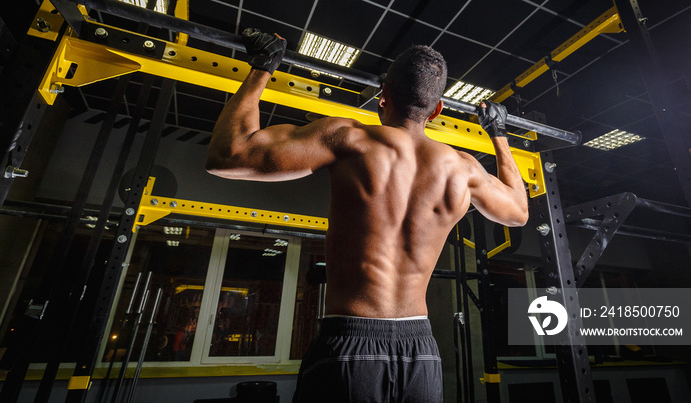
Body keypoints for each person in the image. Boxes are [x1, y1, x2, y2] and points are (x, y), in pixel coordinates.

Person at [206, 29, 529, 403]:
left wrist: (262, 67)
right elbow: (518, 212)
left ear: (383, 97)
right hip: (420, 351)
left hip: (349, 343)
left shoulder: (349, 138)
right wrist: (499, 135)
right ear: (437, 110)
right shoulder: (464, 170)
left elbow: (227, 156)